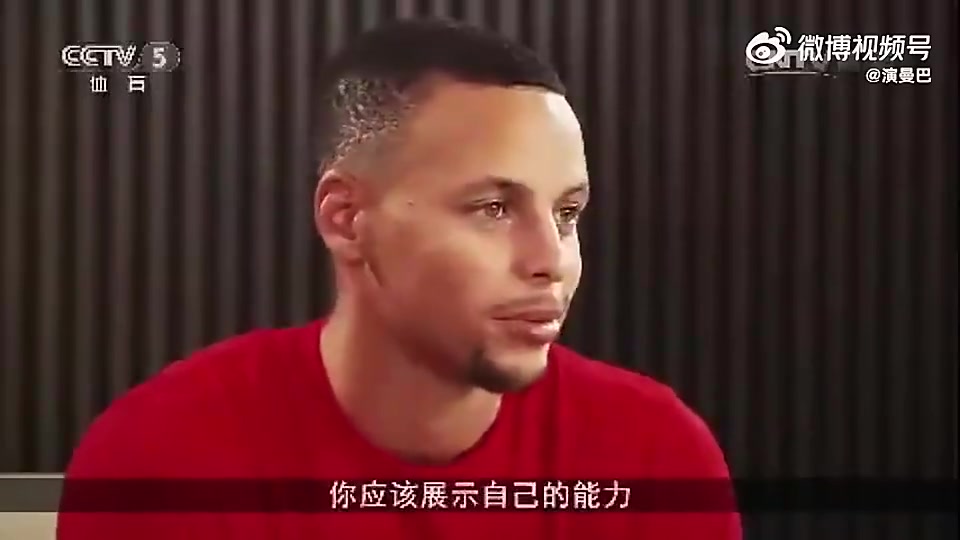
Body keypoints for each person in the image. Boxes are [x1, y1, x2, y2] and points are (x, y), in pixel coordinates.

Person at [58, 19, 741, 540]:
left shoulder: (653, 457)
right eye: (493, 208)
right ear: (347, 219)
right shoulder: (162, 457)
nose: (551, 259)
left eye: (567, 214)